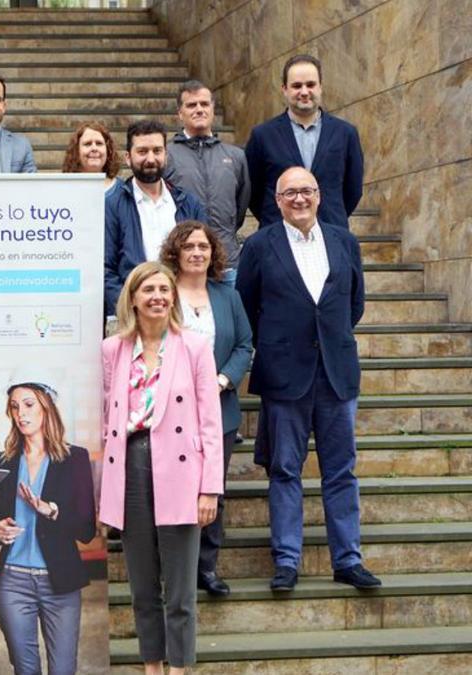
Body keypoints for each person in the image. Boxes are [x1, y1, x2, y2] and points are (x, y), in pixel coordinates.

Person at [236, 167, 379, 592]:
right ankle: (286, 560)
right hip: (285, 376)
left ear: (319, 196)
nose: (299, 199)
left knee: (341, 471)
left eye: (307, 191)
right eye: (290, 192)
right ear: (277, 200)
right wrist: (280, 347)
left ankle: (348, 559)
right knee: (284, 470)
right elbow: (246, 307)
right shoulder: (260, 246)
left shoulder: (343, 241)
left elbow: (354, 304)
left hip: (336, 373)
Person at [100, 261, 224, 675]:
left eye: (164, 289)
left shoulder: (194, 346)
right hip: (131, 467)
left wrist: (210, 489)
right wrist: (105, 493)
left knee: (181, 589)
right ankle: (152, 666)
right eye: (148, 289)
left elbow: (210, 422)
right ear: (132, 297)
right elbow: (106, 421)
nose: (157, 296)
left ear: (173, 297)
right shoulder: (112, 350)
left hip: (181, 471)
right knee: (142, 585)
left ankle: (180, 668)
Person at [159, 221, 253, 597]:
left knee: (213, 488)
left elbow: (245, 344)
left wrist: (223, 380)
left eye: (203, 246)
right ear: (176, 253)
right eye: (189, 247)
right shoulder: (163, 294)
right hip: (171, 411)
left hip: (220, 408)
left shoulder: (227, 295)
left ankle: (206, 568)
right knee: (172, 489)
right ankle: (172, 569)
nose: (197, 253)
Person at [0, 378, 96, 675]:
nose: (21, 413)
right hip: (13, 581)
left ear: (46, 407)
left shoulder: (75, 459)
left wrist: (51, 511)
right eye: (14, 407)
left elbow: (87, 530)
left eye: (28, 404)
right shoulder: (3, 461)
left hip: (59, 582)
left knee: (62, 670)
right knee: (26, 670)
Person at [245, 54, 364, 230]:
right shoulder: (262, 136)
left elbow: (353, 190)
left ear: (320, 87)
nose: (304, 92)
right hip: (278, 235)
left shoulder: (345, 134)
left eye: (310, 85)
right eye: (296, 86)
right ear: (284, 89)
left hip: (330, 232)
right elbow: (253, 194)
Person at [103, 120, 207, 313]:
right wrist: (128, 308)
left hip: (181, 309)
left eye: (157, 151)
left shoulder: (188, 203)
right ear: (128, 157)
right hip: (134, 312)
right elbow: (105, 268)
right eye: (142, 152)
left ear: (166, 155)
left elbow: (203, 257)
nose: (150, 159)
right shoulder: (112, 205)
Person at [164, 81, 250, 287]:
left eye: (204, 104)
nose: (199, 109)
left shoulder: (236, 156)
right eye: (191, 105)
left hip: (227, 263)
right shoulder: (166, 155)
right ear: (180, 113)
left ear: (212, 109)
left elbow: (240, 206)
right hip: (182, 264)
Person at [61, 120, 123, 193]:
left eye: (99, 143)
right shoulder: (62, 188)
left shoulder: (123, 190)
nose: (94, 148)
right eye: (87, 144)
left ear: (108, 150)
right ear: (76, 151)